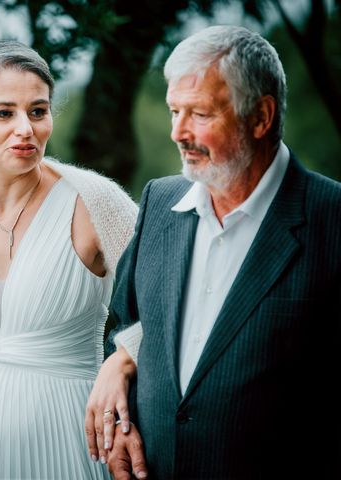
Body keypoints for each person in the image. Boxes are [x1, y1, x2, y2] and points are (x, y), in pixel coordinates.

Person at [86, 25, 341, 479]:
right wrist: (119, 371)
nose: (179, 133)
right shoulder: (159, 203)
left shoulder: (332, 219)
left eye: (199, 114)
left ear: (260, 117)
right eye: (173, 111)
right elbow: (129, 321)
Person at [0, 40, 139, 479]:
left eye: (37, 111)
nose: (26, 129)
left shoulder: (97, 202)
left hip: (70, 440)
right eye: (3, 113)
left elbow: (170, 306)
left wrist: (122, 359)